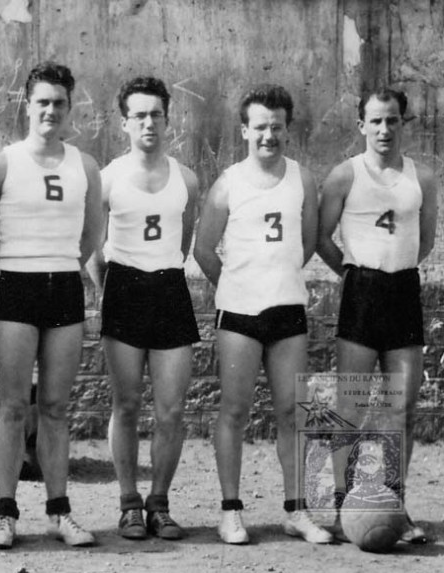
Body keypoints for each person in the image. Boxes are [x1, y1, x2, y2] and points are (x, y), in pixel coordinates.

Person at [0, 61, 103, 549]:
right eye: (42, 101)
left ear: (70, 107)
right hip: (15, 289)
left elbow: (92, 235)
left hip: (64, 287)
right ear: (28, 106)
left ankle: (59, 511)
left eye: (59, 102)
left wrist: (62, 264)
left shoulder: (84, 165)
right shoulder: (2, 163)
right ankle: (5, 513)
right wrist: (3, 281)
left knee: (55, 406)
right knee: (13, 404)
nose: (51, 110)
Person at [194, 84, 332, 545]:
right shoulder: (228, 182)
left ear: (287, 129)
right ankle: (231, 511)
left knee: (293, 412)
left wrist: (276, 278)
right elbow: (202, 248)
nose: (268, 135)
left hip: (287, 310)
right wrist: (237, 284)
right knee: (234, 411)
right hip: (239, 313)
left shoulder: (303, 178)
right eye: (259, 127)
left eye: (276, 126)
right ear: (244, 130)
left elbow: (307, 241)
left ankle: (297, 509)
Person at [316, 87, 438, 544]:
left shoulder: (422, 177)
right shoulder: (344, 176)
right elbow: (320, 237)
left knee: (401, 407)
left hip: (403, 290)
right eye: (376, 121)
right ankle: (344, 502)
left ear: (403, 123)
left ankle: (394, 502)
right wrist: (352, 274)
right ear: (361, 124)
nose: (384, 130)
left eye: (393, 121)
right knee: (350, 406)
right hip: (361, 291)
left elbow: (425, 240)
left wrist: (395, 269)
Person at [87, 76, 200, 541]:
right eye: (139, 115)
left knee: (171, 409)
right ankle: (129, 503)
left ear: (167, 119)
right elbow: (94, 248)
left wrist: (161, 274)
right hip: (124, 288)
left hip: (170, 289)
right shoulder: (108, 177)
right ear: (124, 123)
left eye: (156, 113)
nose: (149, 122)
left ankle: (160, 502)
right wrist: (110, 289)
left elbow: (186, 240)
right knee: (128, 403)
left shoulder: (187, 178)